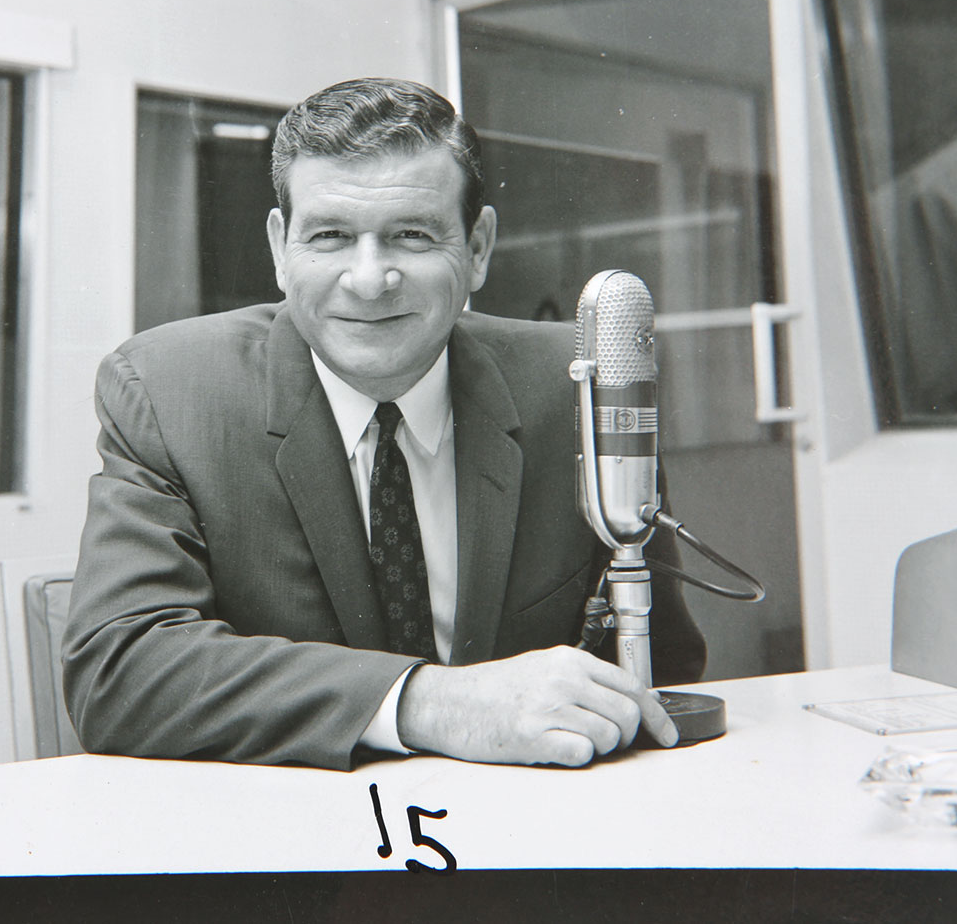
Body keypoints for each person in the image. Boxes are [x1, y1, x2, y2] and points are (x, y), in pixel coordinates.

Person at [62, 77, 705, 771]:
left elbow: (662, 665)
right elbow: (119, 668)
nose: (369, 280)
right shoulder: (168, 391)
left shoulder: (580, 387)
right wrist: (429, 702)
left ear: (479, 246)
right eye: (331, 236)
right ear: (281, 249)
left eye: (412, 235)